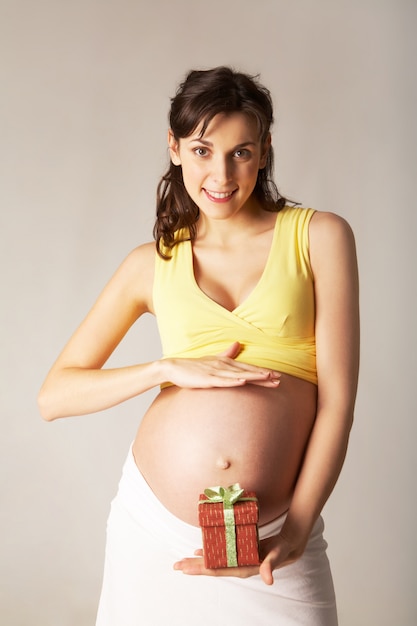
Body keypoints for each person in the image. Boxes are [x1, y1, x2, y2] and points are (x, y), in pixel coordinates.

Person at [38, 66, 359, 625]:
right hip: (153, 534)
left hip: (277, 535)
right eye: (203, 150)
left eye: (241, 152)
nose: (221, 174)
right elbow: (54, 397)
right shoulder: (151, 263)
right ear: (175, 147)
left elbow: (337, 402)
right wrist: (166, 368)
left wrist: (300, 528)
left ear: (264, 152)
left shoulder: (320, 237)